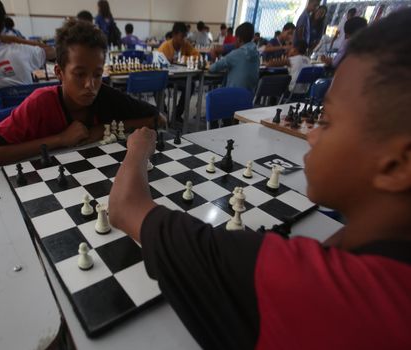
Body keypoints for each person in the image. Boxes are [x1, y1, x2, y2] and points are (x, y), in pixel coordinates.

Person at [108, 9, 411, 349]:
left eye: (327, 120)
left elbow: (123, 207)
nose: (311, 136)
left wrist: (137, 149)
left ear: (397, 165)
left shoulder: (294, 280)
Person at [0, 20, 163, 173]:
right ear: (59, 73)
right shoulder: (40, 103)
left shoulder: (105, 94)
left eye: (97, 74)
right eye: (79, 74)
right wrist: (60, 139)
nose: (90, 85)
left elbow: (158, 119)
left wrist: (104, 129)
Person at [158, 22, 199, 123]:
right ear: (174, 35)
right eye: (181, 36)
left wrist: (182, 58)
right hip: (165, 78)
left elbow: (197, 56)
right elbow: (156, 64)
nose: (183, 39)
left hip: (180, 77)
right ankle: (164, 113)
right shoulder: (165, 47)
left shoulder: (185, 45)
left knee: (190, 85)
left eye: (185, 36)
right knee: (157, 86)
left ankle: (177, 113)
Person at [209, 22, 260, 92]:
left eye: (235, 39)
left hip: (232, 96)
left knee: (212, 96)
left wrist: (212, 59)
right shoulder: (257, 54)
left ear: (239, 39)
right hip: (248, 98)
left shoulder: (236, 54)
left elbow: (213, 68)